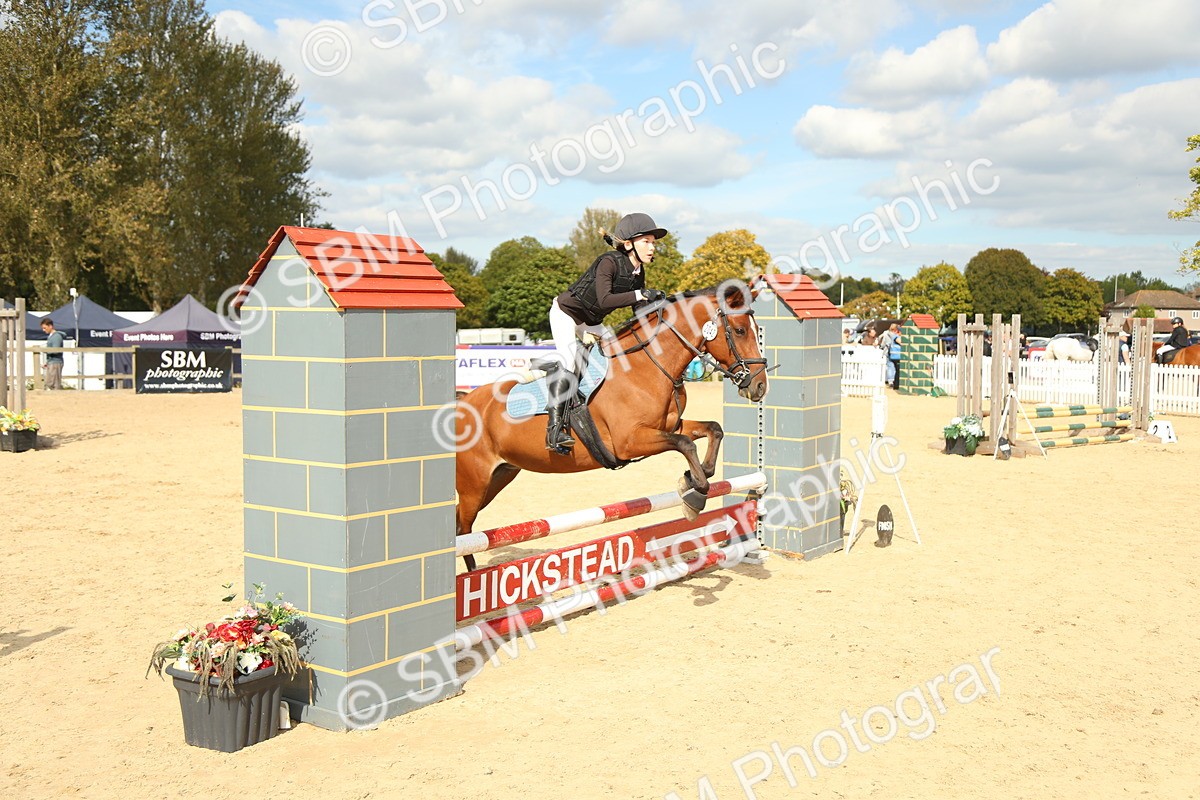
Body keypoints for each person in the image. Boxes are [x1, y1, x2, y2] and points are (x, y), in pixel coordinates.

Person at [544, 212, 668, 452]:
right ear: (629, 244)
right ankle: (555, 431)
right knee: (570, 361)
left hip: (590, 321)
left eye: (653, 242)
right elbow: (605, 299)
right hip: (566, 314)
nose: (652, 247)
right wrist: (641, 294)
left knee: (617, 347)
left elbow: (639, 314)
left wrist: (659, 309)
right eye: (647, 242)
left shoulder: (638, 272)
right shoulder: (608, 262)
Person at [41, 318, 65, 390]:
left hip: (55, 362)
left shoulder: (56, 337)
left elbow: (55, 350)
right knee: (50, 382)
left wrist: (45, 350)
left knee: (54, 383)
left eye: (45, 328)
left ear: (50, 326)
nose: (43, 330)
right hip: (51, 361)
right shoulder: (52, 336)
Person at [878, 323, 901, 389]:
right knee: (895, 368)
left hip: (887, 350)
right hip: (895, 353)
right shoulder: (896, 335)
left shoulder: (885, 333)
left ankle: (890, 381)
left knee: (890, 366)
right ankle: (893, 381)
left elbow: (881, 339)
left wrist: (881, 346)